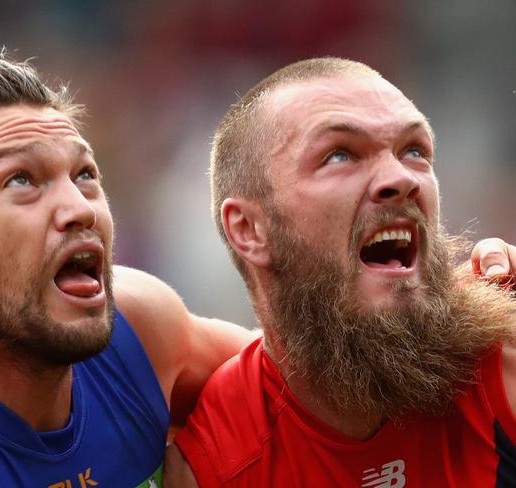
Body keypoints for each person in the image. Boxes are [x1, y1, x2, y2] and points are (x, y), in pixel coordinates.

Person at [0, 53, 512, 487]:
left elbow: (318, 369)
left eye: (84, 174)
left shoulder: (136, 333)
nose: (77, 208)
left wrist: (462, 303)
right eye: (22, 181)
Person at [165, 57, 516, 487]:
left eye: (414, 150)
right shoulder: (216, 465)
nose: (400, 178)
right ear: (249, 229)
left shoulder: (501, 355)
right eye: (340, 155)